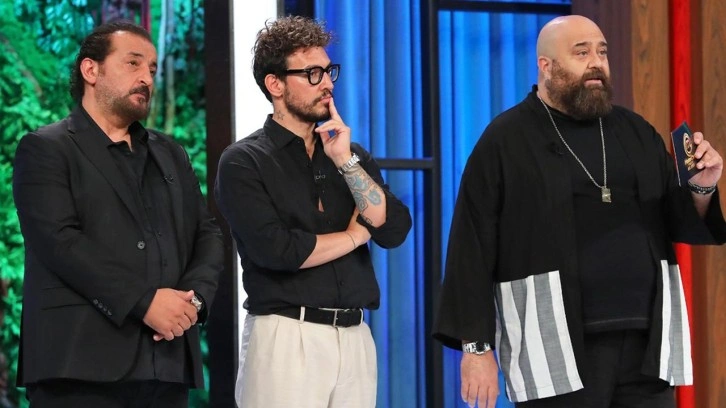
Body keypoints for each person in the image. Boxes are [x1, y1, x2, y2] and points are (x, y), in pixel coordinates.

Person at [433, 14, 726, 408]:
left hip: (647, 345)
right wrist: (476, 348)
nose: (596, 63)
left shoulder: (635, 131)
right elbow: (471, 248)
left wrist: (702, 185)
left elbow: (679, 219)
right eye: (581, 53)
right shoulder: (505, 140)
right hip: (554, 349)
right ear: (546, 65)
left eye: (602, 52)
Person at [12, 21, 224, 407]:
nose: (147, 78)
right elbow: (60, 243)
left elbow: (207, 234)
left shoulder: (171, 153)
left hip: (166, 364)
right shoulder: (46, 148)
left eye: (153, 69)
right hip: (79, 368)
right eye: (133, 63)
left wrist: (192, 304)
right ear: (91, 70)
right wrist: (145, 302)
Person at [214, 16, 412, 408]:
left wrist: (346, 163)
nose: (328, 83)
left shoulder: (349, 155)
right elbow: (279, 251)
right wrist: (355, 236)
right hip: (286, 335)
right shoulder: (243, 161)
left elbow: (393, 228)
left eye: (328, 71)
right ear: (276, 85)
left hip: (355, 337)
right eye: (312, 73)